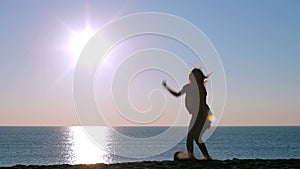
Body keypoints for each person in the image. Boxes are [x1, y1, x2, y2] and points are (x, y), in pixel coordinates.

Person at [162, 68, 212, 160]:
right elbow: (177, 94)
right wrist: (167, 87)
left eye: (193, 75)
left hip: (202, 114)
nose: (191, 76)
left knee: (191, 137)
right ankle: (205, 157)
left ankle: (192, 157)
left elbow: (202, 104)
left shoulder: (200, 88)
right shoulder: (188, 87)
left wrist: (204, 118)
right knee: (196, 137)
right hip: (200, 114)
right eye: (191, 74)